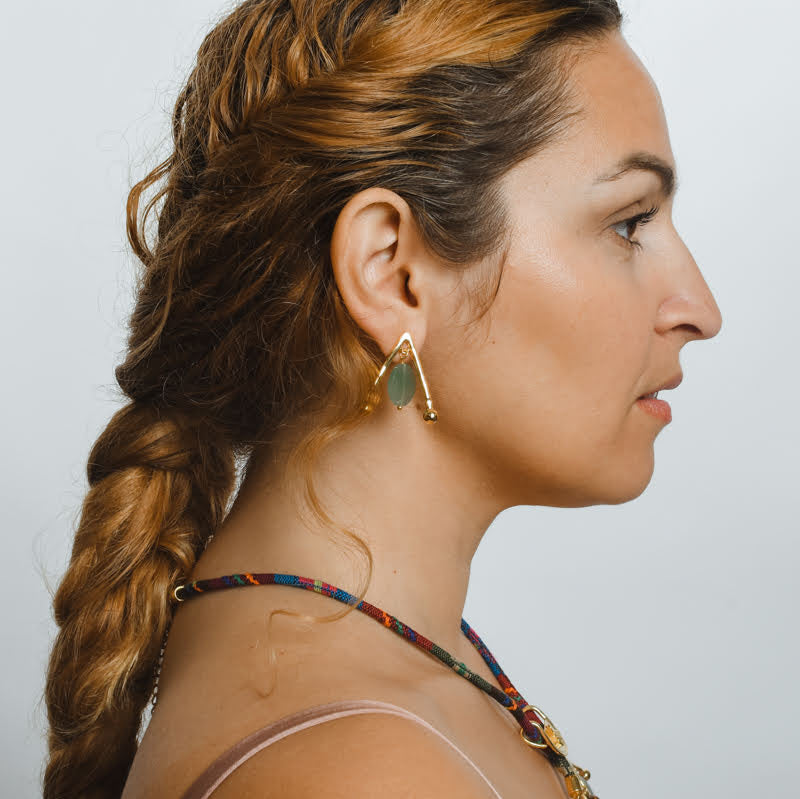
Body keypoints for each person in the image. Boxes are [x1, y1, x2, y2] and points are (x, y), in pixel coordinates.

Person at [42, 1, 723, 797]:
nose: (700, 309)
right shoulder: (363, 771)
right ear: (391, 271)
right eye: (628, 223)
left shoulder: (368, 656)